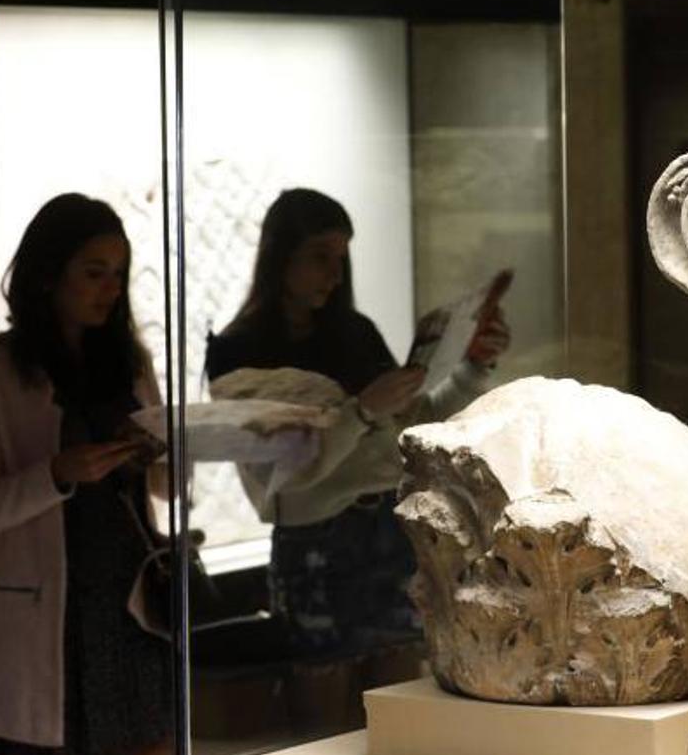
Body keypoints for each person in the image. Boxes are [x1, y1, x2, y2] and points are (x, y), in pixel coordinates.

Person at [0, 193, 178, 755]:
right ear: (49, 274)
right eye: (93, 270)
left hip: (128, 613)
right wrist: (59, 473)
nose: (110, 288)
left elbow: (167, 487)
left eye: (119, 272)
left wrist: (162, 455)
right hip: (44, 622)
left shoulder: (128, 365)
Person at [204, 188, 509, 660]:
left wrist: (472, 368)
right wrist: (361, 412)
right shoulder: (237, 351)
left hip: (392, 529)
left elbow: (412, 431)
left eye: (341, 257)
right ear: (280, 257)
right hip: (315, 543)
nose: (334, 273)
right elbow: (282, 479)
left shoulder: (354, 331)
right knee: (324, 694)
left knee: (404, 689)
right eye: (319, 256)